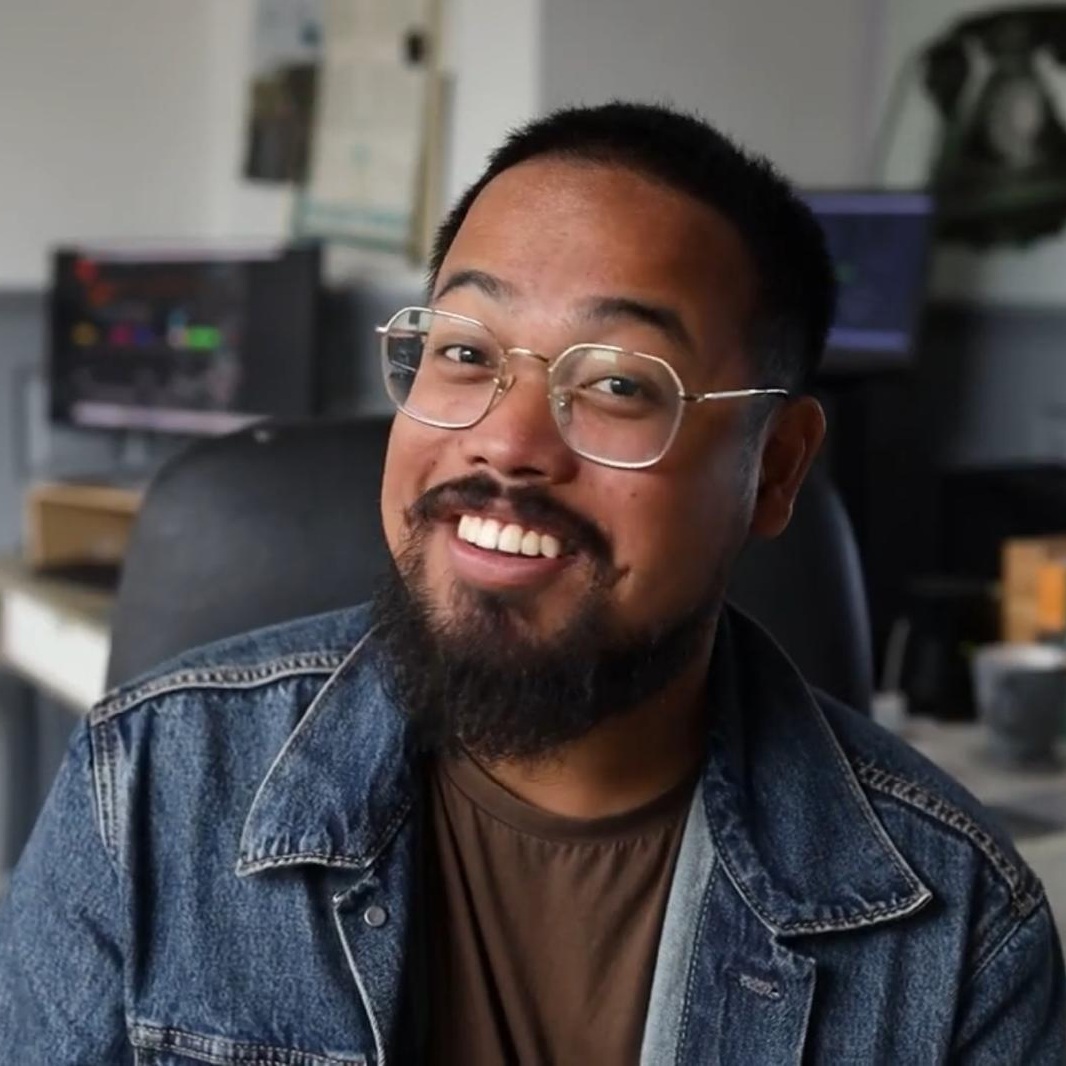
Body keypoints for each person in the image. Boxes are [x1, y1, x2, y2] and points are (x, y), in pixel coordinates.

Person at [0, 101, 1062, 1065]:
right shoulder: (145, 791)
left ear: (775, 468)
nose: (505, 444)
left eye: (617, 383)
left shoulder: (960, 934)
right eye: (465, 354)